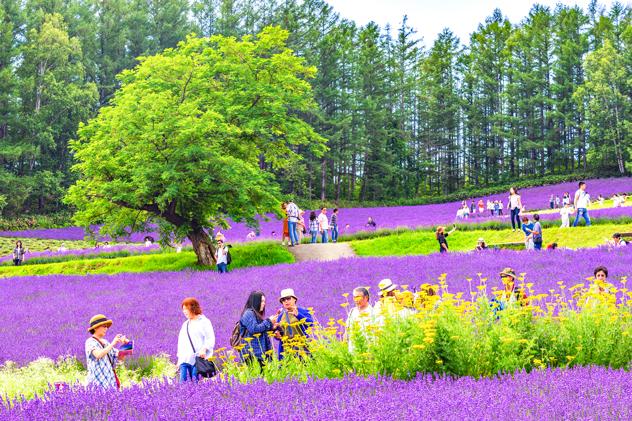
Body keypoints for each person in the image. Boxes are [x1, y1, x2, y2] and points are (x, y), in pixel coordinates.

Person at [85, 314, 129, 390]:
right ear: (95, 328)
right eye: (104, 326)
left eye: (106, 327)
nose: (106, 329)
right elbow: (98, 355)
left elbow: (120, 358)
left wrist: (127, 345)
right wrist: (113, 343)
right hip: (96, 384)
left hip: (110, 383)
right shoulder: (90, 342)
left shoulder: (106, 343)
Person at [177, 297, 215, 382]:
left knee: (195, 385)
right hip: (185, 360)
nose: (184, 311)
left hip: (198, 359)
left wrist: (204, 349)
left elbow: (210, 338)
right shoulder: (185, 324)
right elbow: (181, 343)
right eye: (183, 309)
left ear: (194, 308)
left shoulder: (204, 322)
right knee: (182, 387)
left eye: (186, 309)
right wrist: (179, 360)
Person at [238, 291, 279, 367]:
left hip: (260, 354)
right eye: (262, 301)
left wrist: (272, 327)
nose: (264, 303)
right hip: (252, 355)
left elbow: (260, 332)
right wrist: (269, 321)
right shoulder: (248, 313)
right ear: (256, 301)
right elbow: (254, 329)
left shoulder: (255, 314)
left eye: (264, 301)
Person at [274, 289, 314, 359]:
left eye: (288, 298)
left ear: (294, 299)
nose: (286, 301)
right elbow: (279, 334)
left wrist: (298, 315)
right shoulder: (281, 316)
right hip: (287, 349)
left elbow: (311, 323)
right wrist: (276, 334)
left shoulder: (303, 311)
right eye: (283, 300)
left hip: (303, 347)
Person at [344, 287, 375, 353]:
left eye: (358, 297)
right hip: (353, 350)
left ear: (366, 298)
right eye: (354, 297)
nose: (356, 300)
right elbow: (347, 329)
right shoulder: (352, 311)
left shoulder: (373, 312)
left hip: (367, 351)